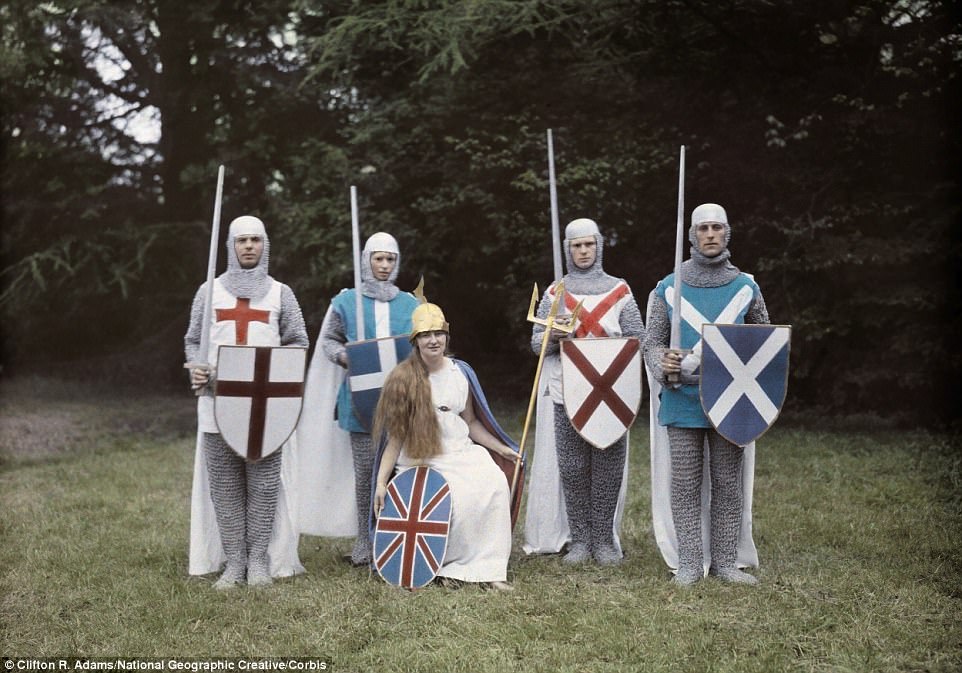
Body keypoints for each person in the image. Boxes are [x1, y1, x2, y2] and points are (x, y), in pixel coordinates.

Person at [644, 203, 769, 586]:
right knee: (684, 484)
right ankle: (689, 563)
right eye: (703, 228)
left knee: (728, 484)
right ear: (692, 235)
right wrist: (662, 362)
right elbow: (651, 343)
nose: (710, 234)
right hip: (683, 399)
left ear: (727, 232)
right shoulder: (668, 286)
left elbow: (764, 341)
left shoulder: (745, 286)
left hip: (731, 402)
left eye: (717, 227)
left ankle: (726, 563)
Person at [184, 214, 309, 589]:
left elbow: (298, 342)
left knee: (264, 486)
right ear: (231, 246)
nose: (249, 246)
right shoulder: (209, 292)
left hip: (265, 409)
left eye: (256, 240)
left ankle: (258, 560)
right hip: (217, 403)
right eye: (242, 241)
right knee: (224, 486)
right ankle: (234, 562)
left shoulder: (280, 293)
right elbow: (193, 340)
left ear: (265, 245)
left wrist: (277, 376)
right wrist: (196, 366)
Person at [372, 302, 518, 591]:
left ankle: (489, 568)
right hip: (422, 458)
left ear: (446, 336)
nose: (433, 340)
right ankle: (448, 567)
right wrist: (380, 482)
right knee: (459, 497)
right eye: (426, 335)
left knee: (494, 483)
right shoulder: (404, 379)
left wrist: (500, 449)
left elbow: (472, 422)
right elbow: (396, 439)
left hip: (460, 451)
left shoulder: (460, 372)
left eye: (438, 333)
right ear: (416, 341)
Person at [524, 218, 644, 565]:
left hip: (611, 391)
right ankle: (579, 540)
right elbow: (536, 344)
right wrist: (554, 337)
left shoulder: (619, 291)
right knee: (574, 467)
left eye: (589, 244)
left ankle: (604, 540)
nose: (583, 251)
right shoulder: (554, 293)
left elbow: (637, 337)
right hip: (568, 392)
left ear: (599, 246)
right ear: (568, 249)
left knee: (608, 466)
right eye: (577, 246)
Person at [296, 233, 419, 566]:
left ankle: (394, 536)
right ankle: (366, 540)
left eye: (390, 259)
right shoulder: (346, 302)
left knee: (398, 469)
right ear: (367, 260)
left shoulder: (411, 304)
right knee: (366, 472)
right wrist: (345, 356)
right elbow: (330, 340)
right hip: (359, 401)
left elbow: (420, 345)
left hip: (400, 398)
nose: (383, 265)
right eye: (378, 259)